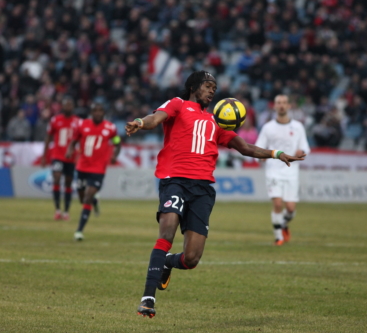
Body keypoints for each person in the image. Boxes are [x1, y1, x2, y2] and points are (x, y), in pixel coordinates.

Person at [125, 71, 305, 318]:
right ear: (194, 87)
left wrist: (277, 154)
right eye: (208, 86)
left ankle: (168, 262)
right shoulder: (178, 104)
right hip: (174, 180)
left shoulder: (217, 122)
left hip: (202, 190)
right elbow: (156, 118)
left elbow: (245, 147)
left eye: (214, 88)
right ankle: (147, 298)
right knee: (166, 230)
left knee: (192, 259)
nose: (212, 91)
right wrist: (140, 122)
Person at [255, 95, 310, 246]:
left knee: (291, 209)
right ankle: (278, 237)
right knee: (278, 204)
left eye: (284, 103)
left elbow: (306, 147)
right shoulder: (268, 128)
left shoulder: (298, 127)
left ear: (289, 106)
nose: (281, 105)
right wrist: (261, 157)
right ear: (274, 106)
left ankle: (284, 224)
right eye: (279, 103)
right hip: (273, 171)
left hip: (291, 172)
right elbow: (258, 148)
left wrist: (301, 151)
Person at [66, 102, 121, 241]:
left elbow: (117, 142)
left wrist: (114, 155)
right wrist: (70, 149)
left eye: (100, 111)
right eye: (95, 111)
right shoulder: (82, 125)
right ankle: (95, 201)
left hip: (98, 169)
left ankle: (79, 231)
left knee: (87, 197)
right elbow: (74, 140)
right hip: (82, 166)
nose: (97, 113)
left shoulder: (110, 128)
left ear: (103, 113)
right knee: (81, 197)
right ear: (91, 113)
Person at [41, 96, 79, 220]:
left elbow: (82, 140)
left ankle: (66, 211)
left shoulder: (78, 122)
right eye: (66, 104)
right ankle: (57, 210)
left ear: (73, 107)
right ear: (62, 106)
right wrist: (44, 155)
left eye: (70, 105)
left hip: (71, 157)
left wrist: (79, 155)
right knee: (56, 177)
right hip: (57, 155)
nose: (68, 107)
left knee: (68, 182)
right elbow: (48, 137)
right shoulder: (55, 120)